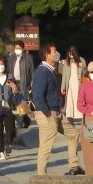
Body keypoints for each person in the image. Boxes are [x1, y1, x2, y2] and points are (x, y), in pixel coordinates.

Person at [32, 42, 64, 175]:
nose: (57, 54)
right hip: (47, 113)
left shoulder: (51, 70)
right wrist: (47, 113)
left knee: (74, 134)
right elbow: (38, 96)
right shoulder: (42, 71)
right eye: (54, 51)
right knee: (45, 146)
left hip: (56, 111)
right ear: (47, 55)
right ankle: (41, 175)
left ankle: (74, 164)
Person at [61, 46, 87, 175]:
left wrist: (82, 66)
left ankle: (79, 115)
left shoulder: (81, 61)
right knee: (70, 101)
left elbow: (86, 73)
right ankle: (71, 115)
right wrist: (63, 86)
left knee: (78, 99)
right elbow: (64, 76)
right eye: (69, 54)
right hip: (69, 84)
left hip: (79, 84)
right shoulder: (66, 63)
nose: (71, 56)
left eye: (72, 54)